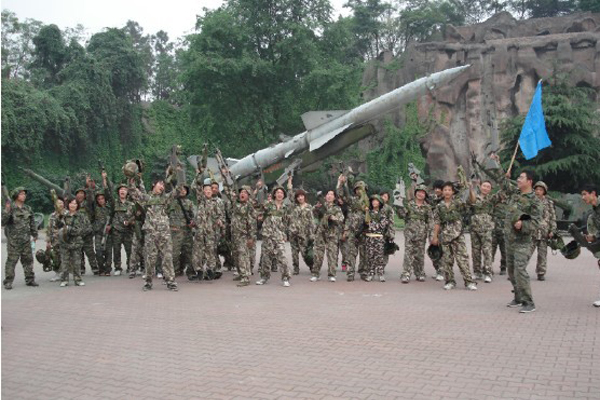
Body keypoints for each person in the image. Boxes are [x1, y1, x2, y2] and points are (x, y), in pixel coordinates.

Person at [128, 177, 180, 291]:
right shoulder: (147, 198)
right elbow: (134, 193)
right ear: (153, 184)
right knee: (150, 258)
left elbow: (177, 191)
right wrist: (131, 182)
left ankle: (171, 281)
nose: (162, 186)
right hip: (151, 233)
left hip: (164, 233)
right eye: (160, 184)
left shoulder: (165, 198)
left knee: (167, 257)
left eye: (163, 185)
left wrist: (176, 177)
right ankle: (148, 282)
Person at [501, 169, 542, 313]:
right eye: (518, 177)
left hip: (522, 241)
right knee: (511, 271)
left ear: (529, 181)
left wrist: (523, 224)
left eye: (521, 177)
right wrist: (503, 173)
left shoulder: (535, 200)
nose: (518, 179)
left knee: (520, 270)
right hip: (509, 239)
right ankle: (518, 297)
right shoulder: (515, 194)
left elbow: (536, 221)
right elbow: (503, 184)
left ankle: (528, 302)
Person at [431, 182, 477, 291]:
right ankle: (450, 281)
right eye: (445, 190)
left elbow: (472, 202)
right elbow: (437, 222)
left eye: (449, 190)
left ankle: (469, 282)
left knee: (462, 259)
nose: (447, 192)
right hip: (445, 236)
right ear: (442, 192)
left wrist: (471, 189)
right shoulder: (439, 206)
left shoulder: (458, 203)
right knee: (447, 260)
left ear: (452, 192)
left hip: (458, 235)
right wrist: (435, 237)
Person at [2, 187, 39, 289]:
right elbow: (3, 222)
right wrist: (7, 210)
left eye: (24, 194)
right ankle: (8, 281)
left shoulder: (28, 208)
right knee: (12, 261)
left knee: (28, 260)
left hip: (26, 240)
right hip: (13, 241)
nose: (24, 195)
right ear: (16, 195)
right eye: (21, 194)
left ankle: (30, 279)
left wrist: (35, 234)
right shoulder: (10, 207)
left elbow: (32, 223)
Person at [397, 184, 433, 283]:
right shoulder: (409, 205)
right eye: (418, 192)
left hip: (422, 234)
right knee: (408, 253)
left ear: (425, 195)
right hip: (410, 233)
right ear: (415, 193)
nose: (420, 194)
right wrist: (398, 205)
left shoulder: (427, 207)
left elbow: (430, 221)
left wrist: (431, 235)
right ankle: (406, 274)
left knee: (420, 254)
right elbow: (402, 215)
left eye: (423, 192)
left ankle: (420, 273)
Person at [223, 182, 257, 287]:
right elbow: (228, 192)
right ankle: (240, 273)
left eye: (245, 192)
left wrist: (251, 238)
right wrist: (225, 178)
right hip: (235, 235)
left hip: (244, 235)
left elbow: (252, 223)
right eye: (241, 192)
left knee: (243, 256)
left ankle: (245, 277)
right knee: (236, 255)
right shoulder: (235, 204)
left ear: (248, 195)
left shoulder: (249, 207)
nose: (242, 194)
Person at [256, 186, 291, 287]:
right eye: (278, 192)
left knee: (282, 257)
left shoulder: (285, 208)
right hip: (268, 234)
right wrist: (260, 217)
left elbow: (286, 222)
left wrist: (285, 234)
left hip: (279, 235)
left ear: (283, 195)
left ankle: (285, 278)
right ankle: (264, 277)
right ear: (274, 194)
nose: (280, 194)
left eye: (281, 193)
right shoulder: (268, 204)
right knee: (266, 257)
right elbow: (259, 212)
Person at [192, 178, 225, 280]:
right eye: (206, 190)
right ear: (203, 191)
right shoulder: (200, 201)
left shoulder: (216, 203)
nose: (208, 191)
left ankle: (210, 270)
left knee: (211, 251)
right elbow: (194, 187)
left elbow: (221, 215)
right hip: (200, 232)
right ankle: (199, 270)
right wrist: (199, 174)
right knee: (197, 252)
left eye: (210, 190)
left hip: (211, 231)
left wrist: (220, 221)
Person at [337, 176, 368, 281]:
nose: (359, 191)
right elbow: (341, 195)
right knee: (351, 253)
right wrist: (342, 184)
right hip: (352, 231)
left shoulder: (369, 202)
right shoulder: (352, 200)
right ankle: (350, 272)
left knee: (364, 253)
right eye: (357, 189)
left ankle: (363, 272)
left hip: (364, 231)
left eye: (361, 189)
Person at [311, 190, 344, 282]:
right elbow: (313, 214)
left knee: (332, 255)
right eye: (328, 194)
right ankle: (316, 274)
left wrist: (334, 218)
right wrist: (316, 208)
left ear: (334, 197)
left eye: (331, 194)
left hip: (332, 234)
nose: (329, 196)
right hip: (320, 233)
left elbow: (341, 219)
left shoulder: (336, 208)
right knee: (318, 254)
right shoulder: (320, 205)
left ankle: (331, 274)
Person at [468, 180, 497, 283]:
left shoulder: (492, 198)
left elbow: (503, 192)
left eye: (488, 187)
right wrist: (470, 188)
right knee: (475, 251)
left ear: (490, 189)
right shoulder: (474, 196)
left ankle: (488, 272)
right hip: (474, 227)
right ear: (480, 187)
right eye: (484, 186)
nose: (485, 188)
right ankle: (477, 272)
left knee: (487, 250)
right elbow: (470, 202)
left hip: (487, 228)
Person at [58, 197, 89, 287]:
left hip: (76, 242)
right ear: (68, 204)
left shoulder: (81, 216)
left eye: (75, 204)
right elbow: (58, 226)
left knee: (77, 262)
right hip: (65, 242)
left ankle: (78, 279)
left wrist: (70, 230)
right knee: (65, 262)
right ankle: (64, 280)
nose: (73, 205)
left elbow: (86, 228)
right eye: (71, 203)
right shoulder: (64, 215)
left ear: (77, 205)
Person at [287, 176, 315, 276]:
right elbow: (290, 193)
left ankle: (312, 266)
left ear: (304, 197)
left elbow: (311, 221)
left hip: (304, 234)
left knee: (305, 252)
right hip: (293, 233)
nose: (300, 198)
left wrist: (312, 234)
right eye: (298, 196)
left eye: (302, 196)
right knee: (294, 252)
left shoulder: (309, 207)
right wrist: (289, 181)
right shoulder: (294, 206)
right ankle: (296, 268)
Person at [364, 194, 394, 282]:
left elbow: (382, 226)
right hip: (369, 238)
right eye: (373, 201)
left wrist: (371, 224)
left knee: (379, 257)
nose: (374, 202)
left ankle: (380, 273)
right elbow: (365, 224)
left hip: (379, 238)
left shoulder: (382, 214)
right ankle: (370, 273)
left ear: (380, 203)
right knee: (370, 256)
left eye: (376, 201)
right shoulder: (368, 213)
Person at [166, 185, 195, 278]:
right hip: (175, 231)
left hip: (187, 231)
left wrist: (192, 222)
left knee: (189, 252)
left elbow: (194, 215)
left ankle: (190, 272)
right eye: (181, 189)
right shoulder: (171, 201)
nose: (183, 191)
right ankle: (175, 271)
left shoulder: (189, 203)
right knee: (174, 253)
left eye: (184, 190)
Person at [580, 184, 600, 307]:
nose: (583, 197)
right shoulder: (594, 212)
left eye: (584, 194)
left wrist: (595, 236)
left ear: (593, 194)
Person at [533, 181, 557, 281]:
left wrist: (552, 230)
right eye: (537, 189)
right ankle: (519, 271)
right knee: (526, 253)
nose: (538, 191)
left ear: (544, 191)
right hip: (532, 231)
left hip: (544, 232)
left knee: (542, 254)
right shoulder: (531, 201)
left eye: (540, 190)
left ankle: (541, 272)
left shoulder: (549, 203)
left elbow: (552, 217)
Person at [75, 181, 99, 275]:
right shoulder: (74, 204)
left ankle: (94, 267)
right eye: (78, 193)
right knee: (79, 251)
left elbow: (90, 197)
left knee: (89, 251)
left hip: (87, 231)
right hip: (77, 232)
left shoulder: (88, 204)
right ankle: (81, 268)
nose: (80, 195)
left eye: (82, 193)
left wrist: (88, 187)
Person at [91, 189, 112, 276]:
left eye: (102, 198)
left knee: (108, 252)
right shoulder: (95, 208)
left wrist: (110, 226)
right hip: (98, 233)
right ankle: (101, 268)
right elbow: (90, 199)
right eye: (99, 199)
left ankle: (108, 269)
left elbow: (114, 218)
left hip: (108, 233)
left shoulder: (109, 208)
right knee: (98, 251)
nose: (100, 200)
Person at [428, 179, 445, 280]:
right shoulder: (432, 198)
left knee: (441, 250)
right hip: (432, 228)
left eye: (439, 188)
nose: (437, 190)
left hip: (442, 229)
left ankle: (441, 272)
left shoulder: (446, 199)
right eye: (436, 188)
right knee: (433, 250)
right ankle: (437, 269)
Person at [46, 196, 64, 282]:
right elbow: (49, 229)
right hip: (55, 241)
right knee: (56, 257)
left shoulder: (67, 214)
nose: (60, 204)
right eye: (58, 203)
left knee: (65, 256)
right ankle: (58, 273)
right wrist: (48, 241)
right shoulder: (52, 216)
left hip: (65, 240)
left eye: (61, 203)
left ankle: (64, 273)